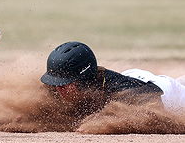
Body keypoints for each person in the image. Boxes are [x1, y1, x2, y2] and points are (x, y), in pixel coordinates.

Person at [40, 41, 185, 116]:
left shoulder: (123, 91)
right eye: (55, 82)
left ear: (83, 79)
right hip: (133, 76)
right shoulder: (57, 86)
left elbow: (154, 109)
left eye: (64, 84)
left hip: (167, 92)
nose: (58, 88)